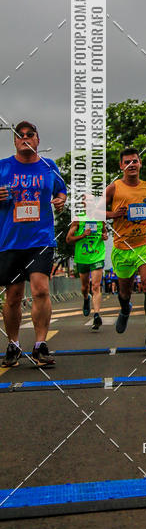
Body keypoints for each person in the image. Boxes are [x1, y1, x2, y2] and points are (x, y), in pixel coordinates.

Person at [0, 121, 67, 367]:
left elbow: (61, 191)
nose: (25, 138)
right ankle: (13, 344)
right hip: (10, 241)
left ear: (37, 140)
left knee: (40, 290)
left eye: (30, 134)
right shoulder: (3, 167)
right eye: (20, 135)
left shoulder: (49, 166)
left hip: (41, 239)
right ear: (15, 141)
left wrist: (60, 201)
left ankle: (40, 345)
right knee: (13, 296)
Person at [105, 148, 146, 350]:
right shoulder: (114, 188)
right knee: (125, 291)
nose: (132, 165)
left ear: (140, 164)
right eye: (127, 162)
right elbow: (94, 210)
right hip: (123, 246)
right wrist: (112, 214)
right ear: (121, 166)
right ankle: (125, 309)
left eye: (135, 161)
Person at [66, 208, 108, 330]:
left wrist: (104, 236)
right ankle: (86, 298)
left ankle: (96, 315)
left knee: (96, 286)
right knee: (85, 287)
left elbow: (104, 232)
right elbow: (68, 239)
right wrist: (83, 235)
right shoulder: (78, 220)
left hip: (97, 256)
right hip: (82, 258)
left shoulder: (100, 219)